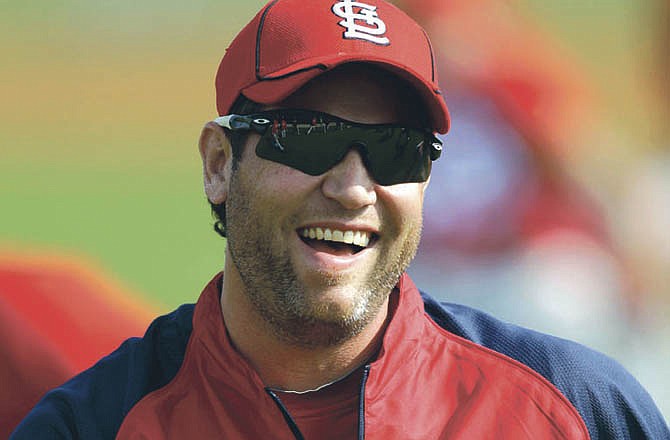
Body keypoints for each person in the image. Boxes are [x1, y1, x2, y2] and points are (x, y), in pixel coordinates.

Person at [12, 0, 669, 438]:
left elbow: (589, 164)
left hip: (531, 282)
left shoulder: (575, 408)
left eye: (396, 150)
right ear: (218, 162)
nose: (354, 186)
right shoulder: (95, 420)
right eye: (307, 138)